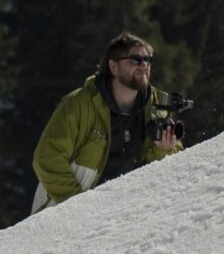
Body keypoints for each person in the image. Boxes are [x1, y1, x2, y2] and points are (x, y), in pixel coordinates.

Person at [30, 33, 185, 215]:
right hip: (64, 215)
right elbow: (47, 158)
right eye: (135, 59)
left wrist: (163, 150)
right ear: (113, 67)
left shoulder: (156, 105)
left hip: (125, 216)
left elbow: (173, 167)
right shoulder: (79, 104)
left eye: (148, 60)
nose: (144, 65)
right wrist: (77, 207)